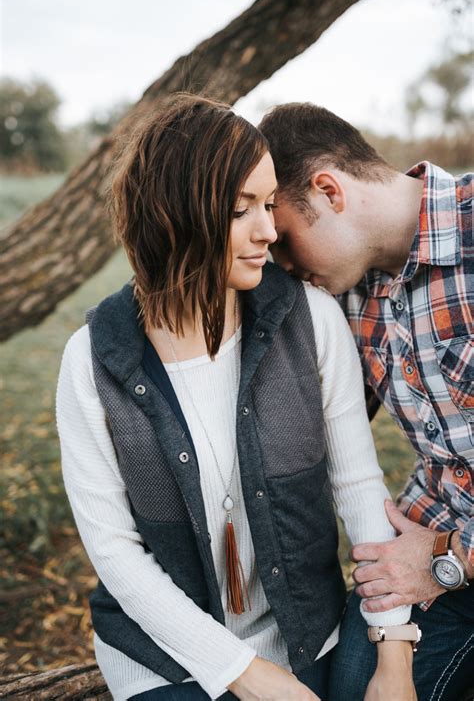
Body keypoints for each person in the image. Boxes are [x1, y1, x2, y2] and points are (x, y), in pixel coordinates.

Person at [56, 95, 415, 701]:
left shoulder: (312, 319)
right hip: (167, 658)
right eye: (241, 208)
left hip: (311, 634)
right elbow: (117, 558)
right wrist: (246, 674)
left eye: (270, 204)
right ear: (177, 213)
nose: (269, 232)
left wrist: (394, 652)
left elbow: (358, 488)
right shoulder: (91, 362)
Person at [258, 102, 474, 701]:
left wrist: (451, 559)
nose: (286, 268)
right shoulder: (347, 293)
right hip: (426, 540)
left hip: (444, 556)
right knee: (356, 690)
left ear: (328, 191)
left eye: (286, 245)